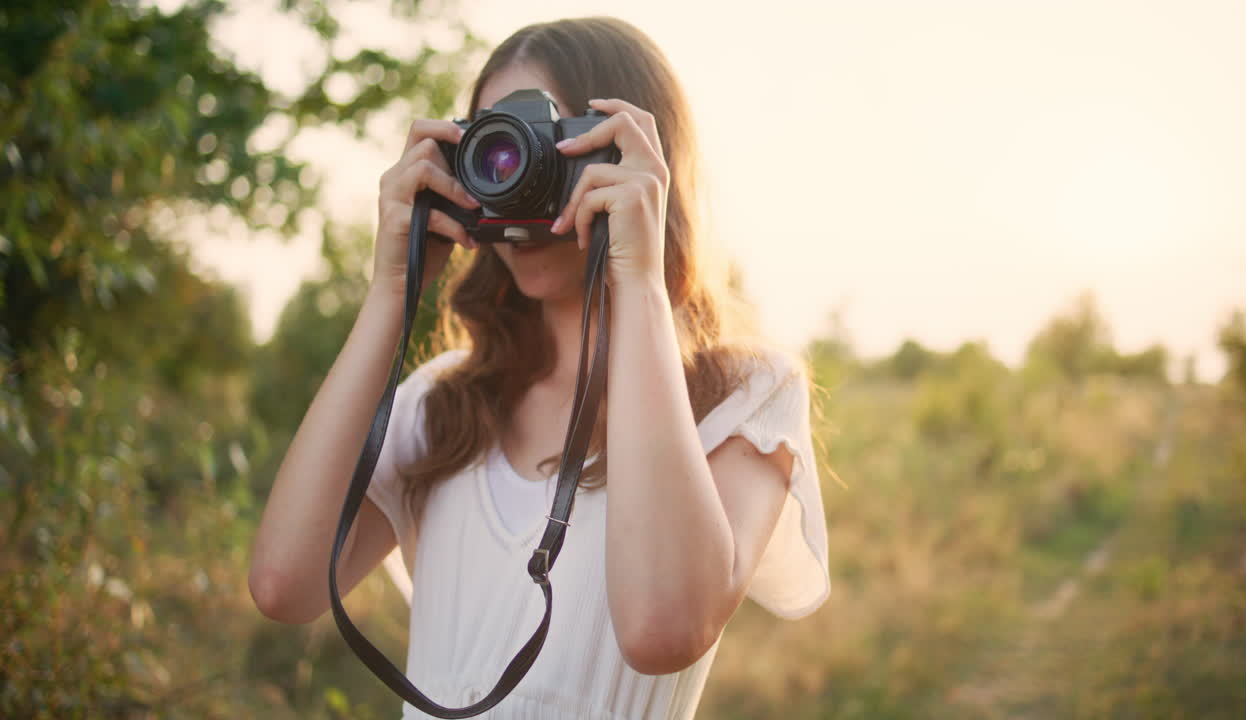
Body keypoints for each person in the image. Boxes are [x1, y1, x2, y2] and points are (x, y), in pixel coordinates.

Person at [249, 16, 830, 720]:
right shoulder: (441, 400)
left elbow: (663, 629)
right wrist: (390, 294)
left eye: (543, 147)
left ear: (636, 162)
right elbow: (285, 586)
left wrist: (639, 281)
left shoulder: (741, 394)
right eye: (492, 148)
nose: (513, 177)